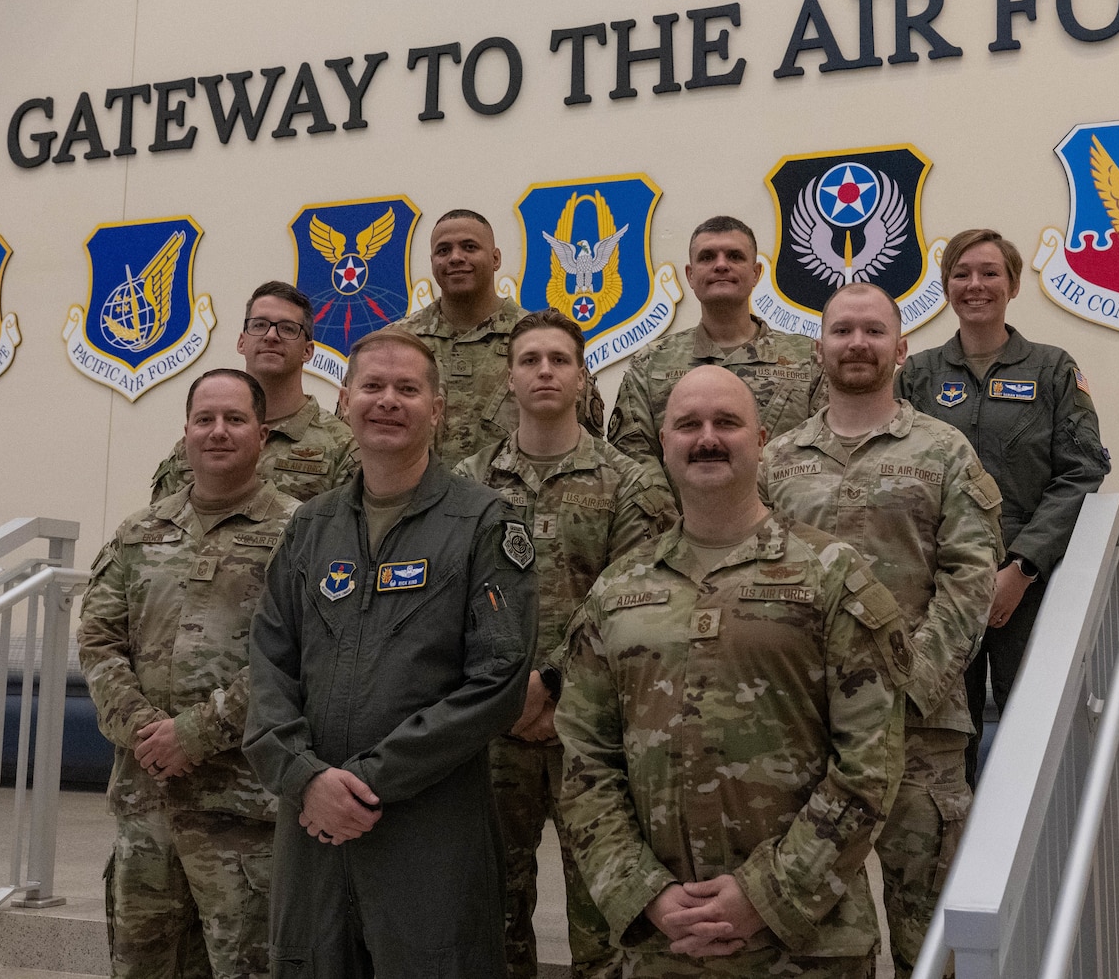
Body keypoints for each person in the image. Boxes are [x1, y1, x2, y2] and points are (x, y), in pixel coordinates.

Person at [555, 366, 910, 979]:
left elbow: (871, 763)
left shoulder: (833, 574)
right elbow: (586, 763)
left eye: (727, 422)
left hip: (807, 947)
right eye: (688, 425)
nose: (707, 438)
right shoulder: (617, 591)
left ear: (762, 439)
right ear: (663, 443)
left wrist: (766, 896)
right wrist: (644, 895)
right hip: (662, 947)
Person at [244, 327, 536, 978]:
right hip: (312, 831)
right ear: (345, 401)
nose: (388, 401)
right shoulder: (310, 527)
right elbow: (268, 666)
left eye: (407, 389)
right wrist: (306, 778)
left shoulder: (484, 523)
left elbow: (498, 680)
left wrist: (369, 782)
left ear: (438, 409)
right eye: (372, 386)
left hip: (429, 830)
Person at [759, 282, 1001, 973]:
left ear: (900, 349)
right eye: (842, 331)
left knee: (931, 934)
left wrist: (907, 683)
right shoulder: (777, 460)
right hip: (807, 725)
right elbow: (756, 579)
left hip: (918, 727)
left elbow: (970, 575)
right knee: (817, 930)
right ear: (820, 348)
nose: (857, 343)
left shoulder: (944, 450)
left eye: (873, 331)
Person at [455, 310, 676, 979]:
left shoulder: (631, 483)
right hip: (491, 727)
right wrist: (504, 690)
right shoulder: (467, 484)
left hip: (596, 731)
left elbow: (633, 602)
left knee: (606, 915)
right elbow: (451, 603)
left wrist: (552, 682)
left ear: (583, 378)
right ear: (510, 377)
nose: (545, 371)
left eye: (559, 360)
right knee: (489, 912)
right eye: (530, 360)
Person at [79, 369, 297, 979]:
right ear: (186, 432)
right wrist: (145, 731)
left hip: (243, 812)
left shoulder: (300, 532)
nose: (218, 431)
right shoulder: (139, 532)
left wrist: (194, 734)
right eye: (205, 419)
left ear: (262, 434)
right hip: (146, 805)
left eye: (235, 419)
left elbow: (298, 657)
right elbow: (98, 640)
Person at [896, 229, 1109, 787]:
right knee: (940, 731)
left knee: (1031, 726)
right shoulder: (917, 375)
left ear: (1013, 285)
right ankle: (954, 841)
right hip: (936, 582)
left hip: (1028, 584)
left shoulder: (1052, 370)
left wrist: (1022, 566)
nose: (976, 284)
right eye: (962, 273)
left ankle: (1039, 840)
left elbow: (1082, 470)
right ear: (946, 286)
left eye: (990, 273)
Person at [606, 215, 824, 465]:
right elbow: (632, 457)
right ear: (690, 275)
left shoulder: (808, 359)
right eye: (707, 257)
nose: (721, 265)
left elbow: (827, 448)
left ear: (756, 273)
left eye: (735, 256)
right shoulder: (651, 363)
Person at [396, 210, 605, 463]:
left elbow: (589, 450)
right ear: (432, 262)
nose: (455, 257)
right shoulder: (398, 343)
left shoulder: (542, 342)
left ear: (496, 259)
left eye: (469, 247)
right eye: (443, 250)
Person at [151, 281, 357, 503]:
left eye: (287, 328)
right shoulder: (200, 443)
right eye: (259, 325)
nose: (271, 336)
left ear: (307, 351)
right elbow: (161, 518)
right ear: (242, 342)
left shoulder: (341, 446)